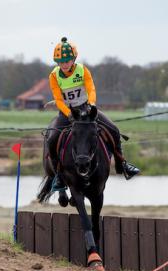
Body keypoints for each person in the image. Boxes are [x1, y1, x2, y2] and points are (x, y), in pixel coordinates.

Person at [48, 37, 140, 191]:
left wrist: (91, 105)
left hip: (86, 109)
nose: (63, 64)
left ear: (73, 59)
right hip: (67, 113)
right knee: (51, 139)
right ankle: (58, 176)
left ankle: (122, 163)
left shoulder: (83, 70)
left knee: (113, 129)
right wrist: (68, 113)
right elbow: (58, 99)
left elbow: (91, 89)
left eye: (67, 61)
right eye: (60, 62)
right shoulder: (53, 76)